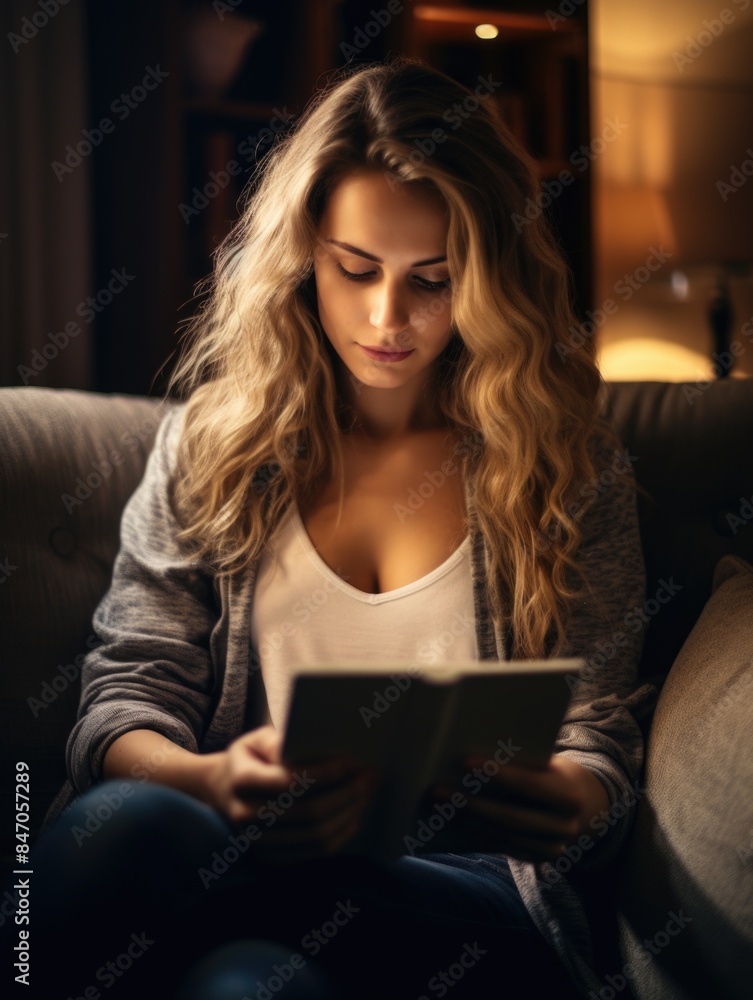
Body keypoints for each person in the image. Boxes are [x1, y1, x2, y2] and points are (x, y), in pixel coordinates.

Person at [12, 55, 656, 999]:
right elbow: (125, 693)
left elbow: (595, 729)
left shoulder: (565, 462)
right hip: (243, 861)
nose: (388, 317)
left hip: (466, 903)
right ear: (303, 255)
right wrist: (211, 781)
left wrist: (566, 799)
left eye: (433, 280)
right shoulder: (214, 445)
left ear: (489, 278)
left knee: (135, 841)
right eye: (355, 269)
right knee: (245, 982)